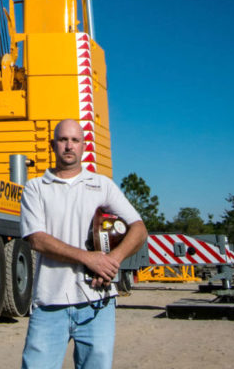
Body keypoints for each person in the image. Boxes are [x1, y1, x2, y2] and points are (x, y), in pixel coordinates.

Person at [19, 119, 148, 369]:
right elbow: (37, 239)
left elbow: (139, 229)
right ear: (52, 144)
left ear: (84, 145)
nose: (69, 146)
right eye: (63, 140)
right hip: (50, 304)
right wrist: (89, 259)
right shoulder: (35, 188)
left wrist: (113, 261)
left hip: (97, 305)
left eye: (75, 140)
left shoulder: (102, 185)